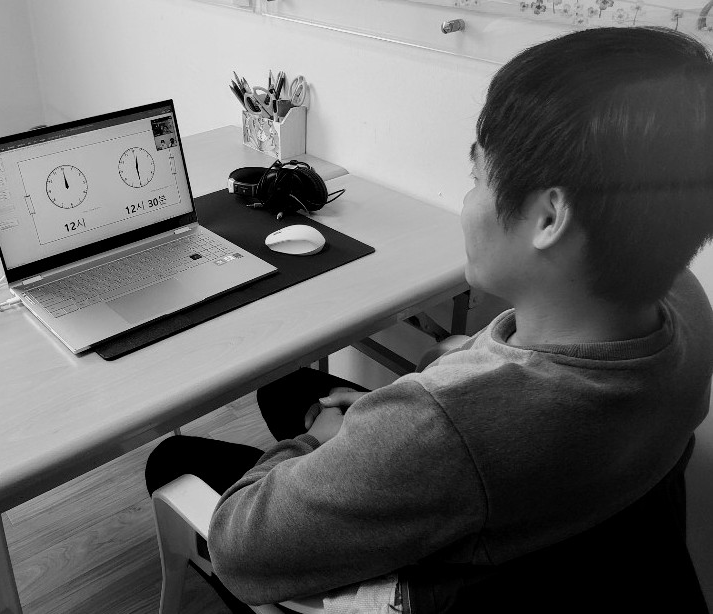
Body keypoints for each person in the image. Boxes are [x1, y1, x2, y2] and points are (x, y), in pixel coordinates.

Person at [145, 26, 713, 612]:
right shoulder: (685, 307)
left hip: (435, 534)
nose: (466, 202)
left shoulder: (442, 430)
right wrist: (424, 391)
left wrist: (326, 440)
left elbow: (239, 551)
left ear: (550, 217)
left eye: (477, 178)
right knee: (285, 388)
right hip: (544, 510)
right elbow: (485, 408)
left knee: (172, 459)